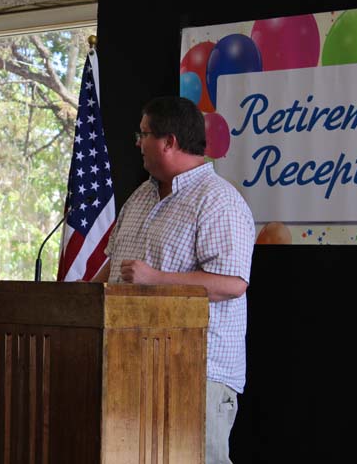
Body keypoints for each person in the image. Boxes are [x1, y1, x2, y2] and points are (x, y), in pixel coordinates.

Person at [92, 96, 255, 464]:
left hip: (196, 371)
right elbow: (113, 266)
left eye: (144, 134)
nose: (137, 142)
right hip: (129, 362)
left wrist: (156, 279)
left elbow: (232, 284)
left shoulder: (218, 201)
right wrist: (77, 299)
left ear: (169, 142)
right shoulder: (140, 197)